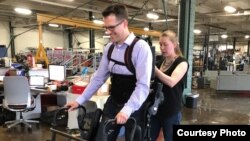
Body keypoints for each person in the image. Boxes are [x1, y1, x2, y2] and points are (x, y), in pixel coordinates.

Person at [65, 4, 152, 141]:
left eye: (111, 27)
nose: (107, 32)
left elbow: (143, 86)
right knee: (102, 137)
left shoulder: (140, 48)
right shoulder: (109, 48)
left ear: (124, 23)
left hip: (134, 106)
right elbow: (99, 78)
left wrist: (127, 110)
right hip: (113, 102)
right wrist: (79, 100)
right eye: (106, 27)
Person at [150, 30, 188, 141]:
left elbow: (172, 82)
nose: (162, 48)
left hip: (171, 110)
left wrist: (155, 69)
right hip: (156, 108)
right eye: (160, 44)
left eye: (165, 44)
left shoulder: (182, 62)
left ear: (174, 44)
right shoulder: (160, 61)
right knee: (149, 136)